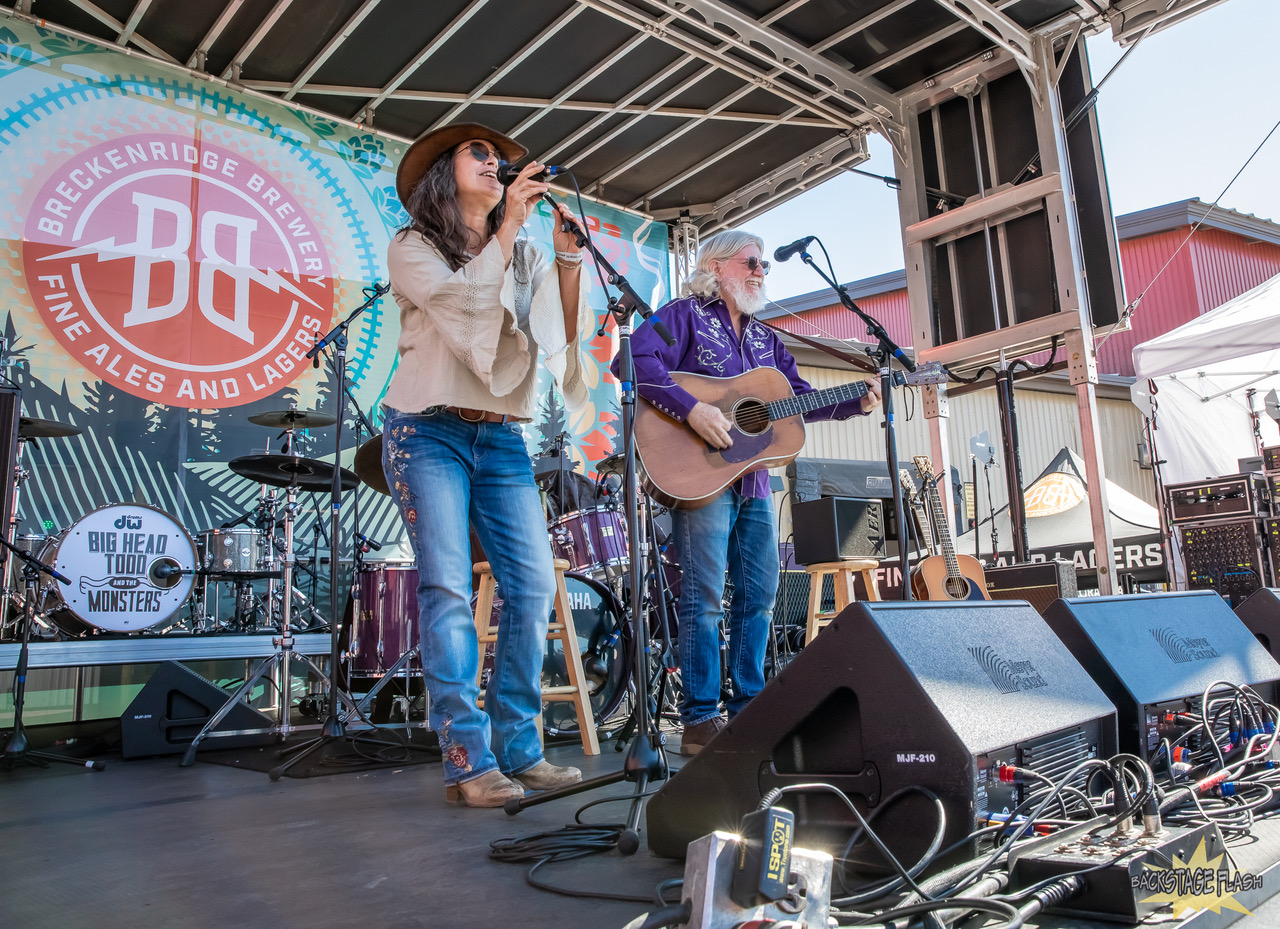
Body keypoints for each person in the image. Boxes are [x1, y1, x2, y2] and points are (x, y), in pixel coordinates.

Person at [381, 122, 592, 807]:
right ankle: (468, 760)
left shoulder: (523, 252)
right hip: (428, 429)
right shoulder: (414, 247)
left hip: (501, 437)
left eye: (501, 160)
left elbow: (551, 344)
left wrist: (565, 262)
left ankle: (522, 748)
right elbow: (463, 312)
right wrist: (506, 233)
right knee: (445, 587)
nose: (496, 163)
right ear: (445, 171)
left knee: (531, 586)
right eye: (480, 154)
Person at [621, 230, 882, 755]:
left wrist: (858, 401)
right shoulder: (683, 315)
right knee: (705, 599)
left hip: (755, 481)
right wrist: (691, 408)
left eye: (765, 265)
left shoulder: (767, 341)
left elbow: (799, 399)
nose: (762, 271)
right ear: (716, 267)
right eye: (752, 262)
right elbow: (633, 361)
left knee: (760, 598)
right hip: (702, 478)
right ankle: (698, 719)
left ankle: (749, 710)